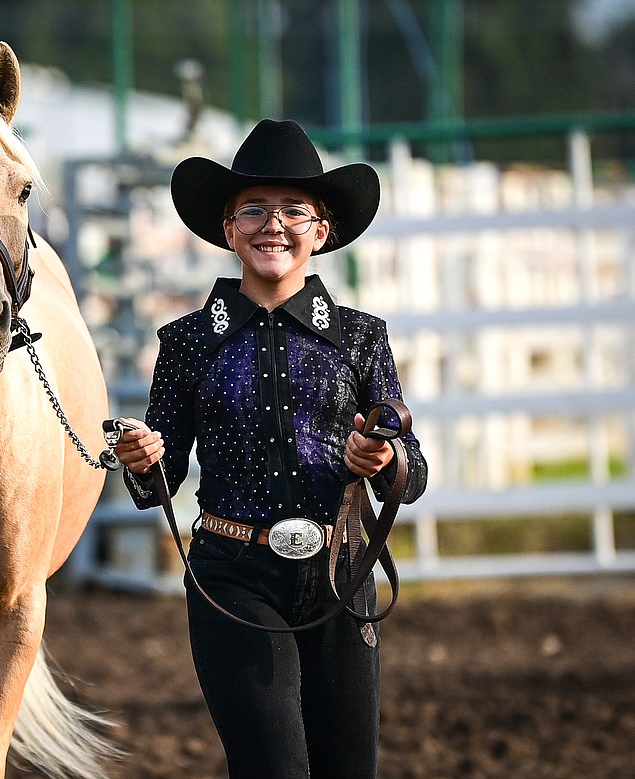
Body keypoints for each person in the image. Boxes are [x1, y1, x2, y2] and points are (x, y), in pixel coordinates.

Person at [110, 119, 429, 778]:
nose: (271, 224)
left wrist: (387, 460)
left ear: (322, 229)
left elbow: (414, 467)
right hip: (232, 577)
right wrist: (144, 460)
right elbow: (161, 477)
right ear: (228, 229)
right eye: (251, 208)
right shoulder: (188, 343)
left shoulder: (362, 338)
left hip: (342, 576)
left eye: (292, 210)